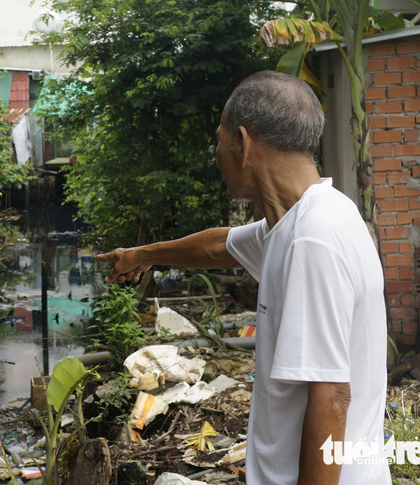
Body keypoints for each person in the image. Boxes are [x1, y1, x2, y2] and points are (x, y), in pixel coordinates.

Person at [96, 71, 391, 485]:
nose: (217, 154)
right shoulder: (306, 219)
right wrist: (141, 255)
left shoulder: (312, 239)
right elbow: (219, 246)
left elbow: (332, 398)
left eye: (219, 141)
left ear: (243, 143)